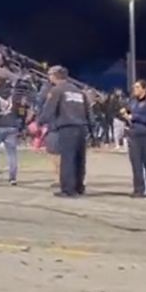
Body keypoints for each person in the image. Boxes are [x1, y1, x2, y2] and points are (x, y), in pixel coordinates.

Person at [39, 65, 91, 198]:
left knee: (68, 159)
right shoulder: (79, 91)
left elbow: (49, 109)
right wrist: (92, 130)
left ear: (54, 76)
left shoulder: (57, 90)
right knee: (80, 159)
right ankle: (79, 187)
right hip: (82, 128)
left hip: (67, 127)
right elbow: (88, 112)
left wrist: (40, 122)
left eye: (50, 75)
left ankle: (68, 189)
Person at [122, 79, 146, 198]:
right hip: (134, 135)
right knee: (136, 164)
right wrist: (124, 114)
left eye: (137, 87)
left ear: (144, 89)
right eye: (134, 87)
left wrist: (134, 117)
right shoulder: (132, 101)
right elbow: (127, 113)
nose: (135, 90)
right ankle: (138, 189)